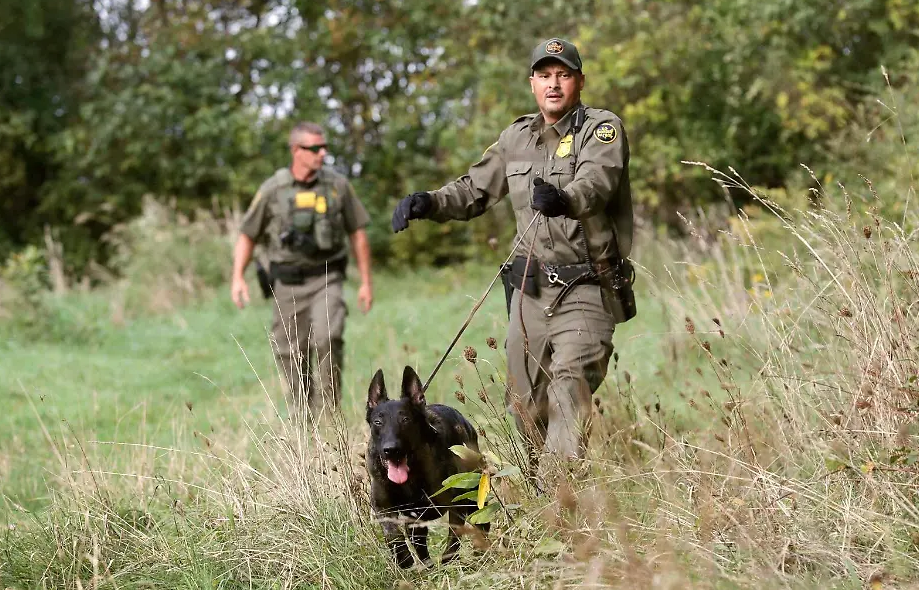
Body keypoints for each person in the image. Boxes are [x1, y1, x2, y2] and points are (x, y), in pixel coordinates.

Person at [391, 37, 635, 466]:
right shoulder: (515, 138)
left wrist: (564, 198)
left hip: (586, 286)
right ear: (532, 83)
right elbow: (474, 190)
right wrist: (428, 203)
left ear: (579, 81)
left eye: (563, 75)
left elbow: (597, 183)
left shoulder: (600, 130)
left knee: (569, 387)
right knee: (525, 407)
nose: (553, 84)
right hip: (529, 292)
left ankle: (561, 493)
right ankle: (538, 485)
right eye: (544, 76)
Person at [231, 121, 374, 423]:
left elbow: (358, 233)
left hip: (327, 278)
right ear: (296, 150)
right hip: (287, 285)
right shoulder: (273, 190)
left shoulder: (337, 186)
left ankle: (331, 416)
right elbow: (247, 234)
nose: (322, 153)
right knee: (290, 351)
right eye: (314, 148)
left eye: (325, 147)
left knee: (328, 336)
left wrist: (365, 282)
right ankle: (303, 417)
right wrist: (237, 277)